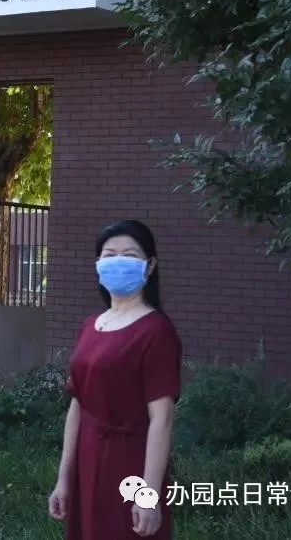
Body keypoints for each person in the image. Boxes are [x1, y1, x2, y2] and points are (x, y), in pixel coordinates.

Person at [48, 220, 182, 539]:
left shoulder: (156, 332)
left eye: (130, 255)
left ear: (150, 266)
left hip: (129, 463)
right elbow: (77, 406)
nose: (118, 262)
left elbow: (161, 418)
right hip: (87, 458)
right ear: (98, 264)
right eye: (109, 255)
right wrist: (64, 478)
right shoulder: (90, 326)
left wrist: (149, 494)